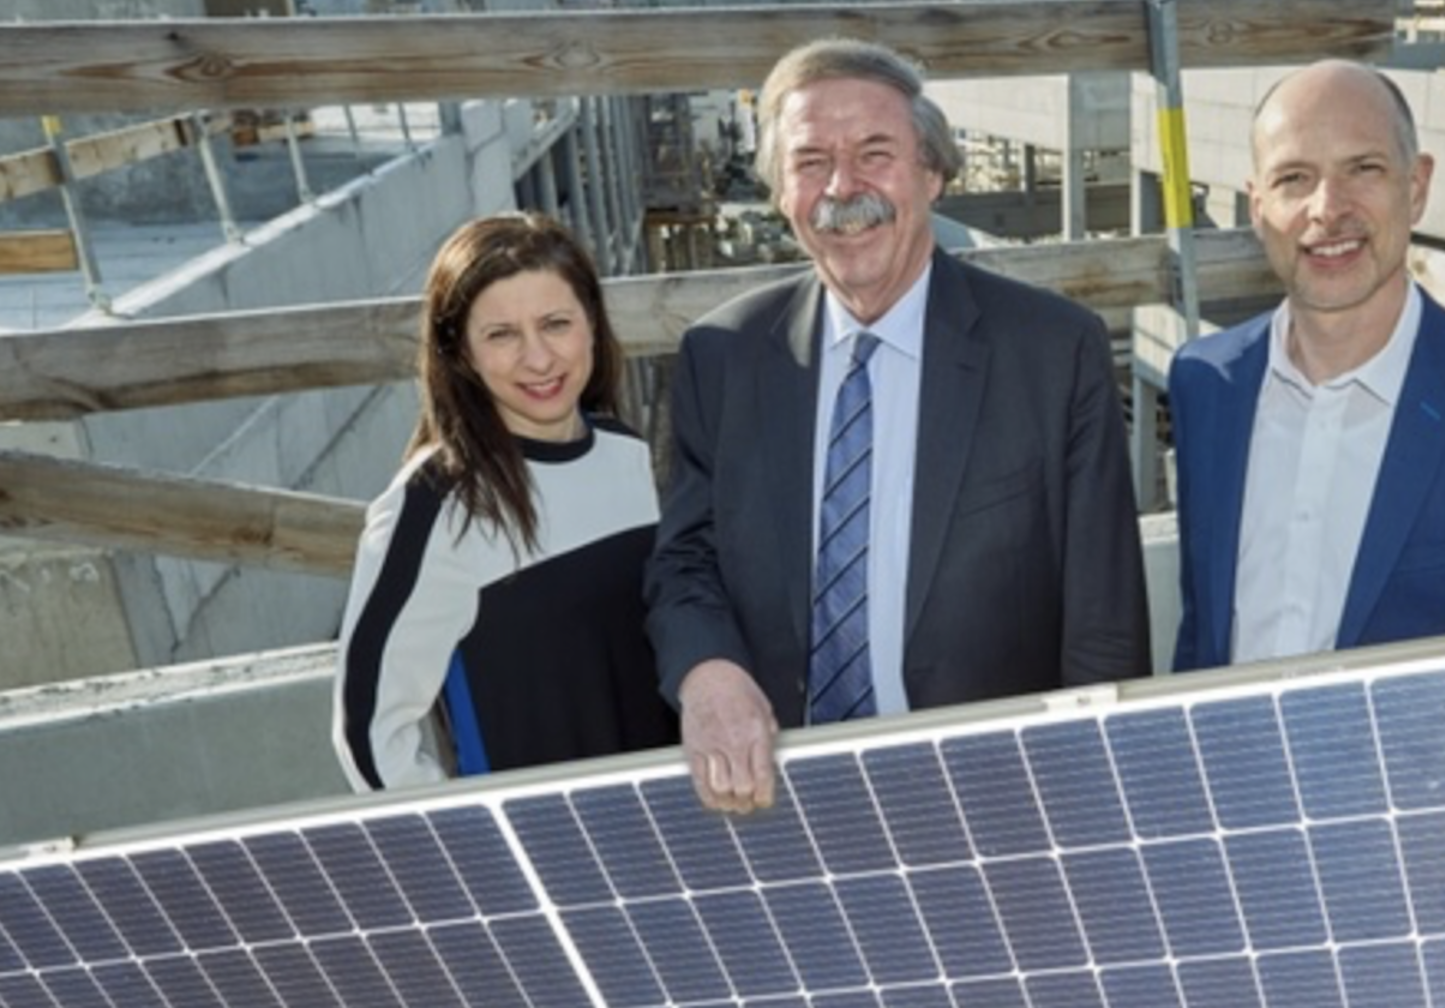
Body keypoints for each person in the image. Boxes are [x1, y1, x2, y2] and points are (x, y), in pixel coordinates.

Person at [646, 38, 1150, 814]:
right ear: (781, 192)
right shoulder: (722, 357)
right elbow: (684, 562)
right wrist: (707, 672)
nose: (843, 188)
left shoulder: (1052, 353)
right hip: (778, 791)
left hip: (998, 794)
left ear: (934, 172)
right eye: (811, 162)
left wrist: (1084, 801)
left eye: (875, 153)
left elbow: (1104, 625)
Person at [1167, 60, 1445, 889]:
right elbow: (1206, 630)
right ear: (1255, 202)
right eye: (1293, 178)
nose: (1326, 210)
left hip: (1422, 873)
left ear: (1418, 185)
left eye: (1362, 169)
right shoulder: (1205, 386)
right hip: (1226, 848)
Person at [333, 212, 676, 791]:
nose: (538, 359)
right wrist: (473, 845)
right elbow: (370, 733)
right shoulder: (437, 503)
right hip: (546, 849)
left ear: (592, 323)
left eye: (556, 323)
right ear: (459, 351)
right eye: (501, 335)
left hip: (670, 817)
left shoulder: (627, 455)